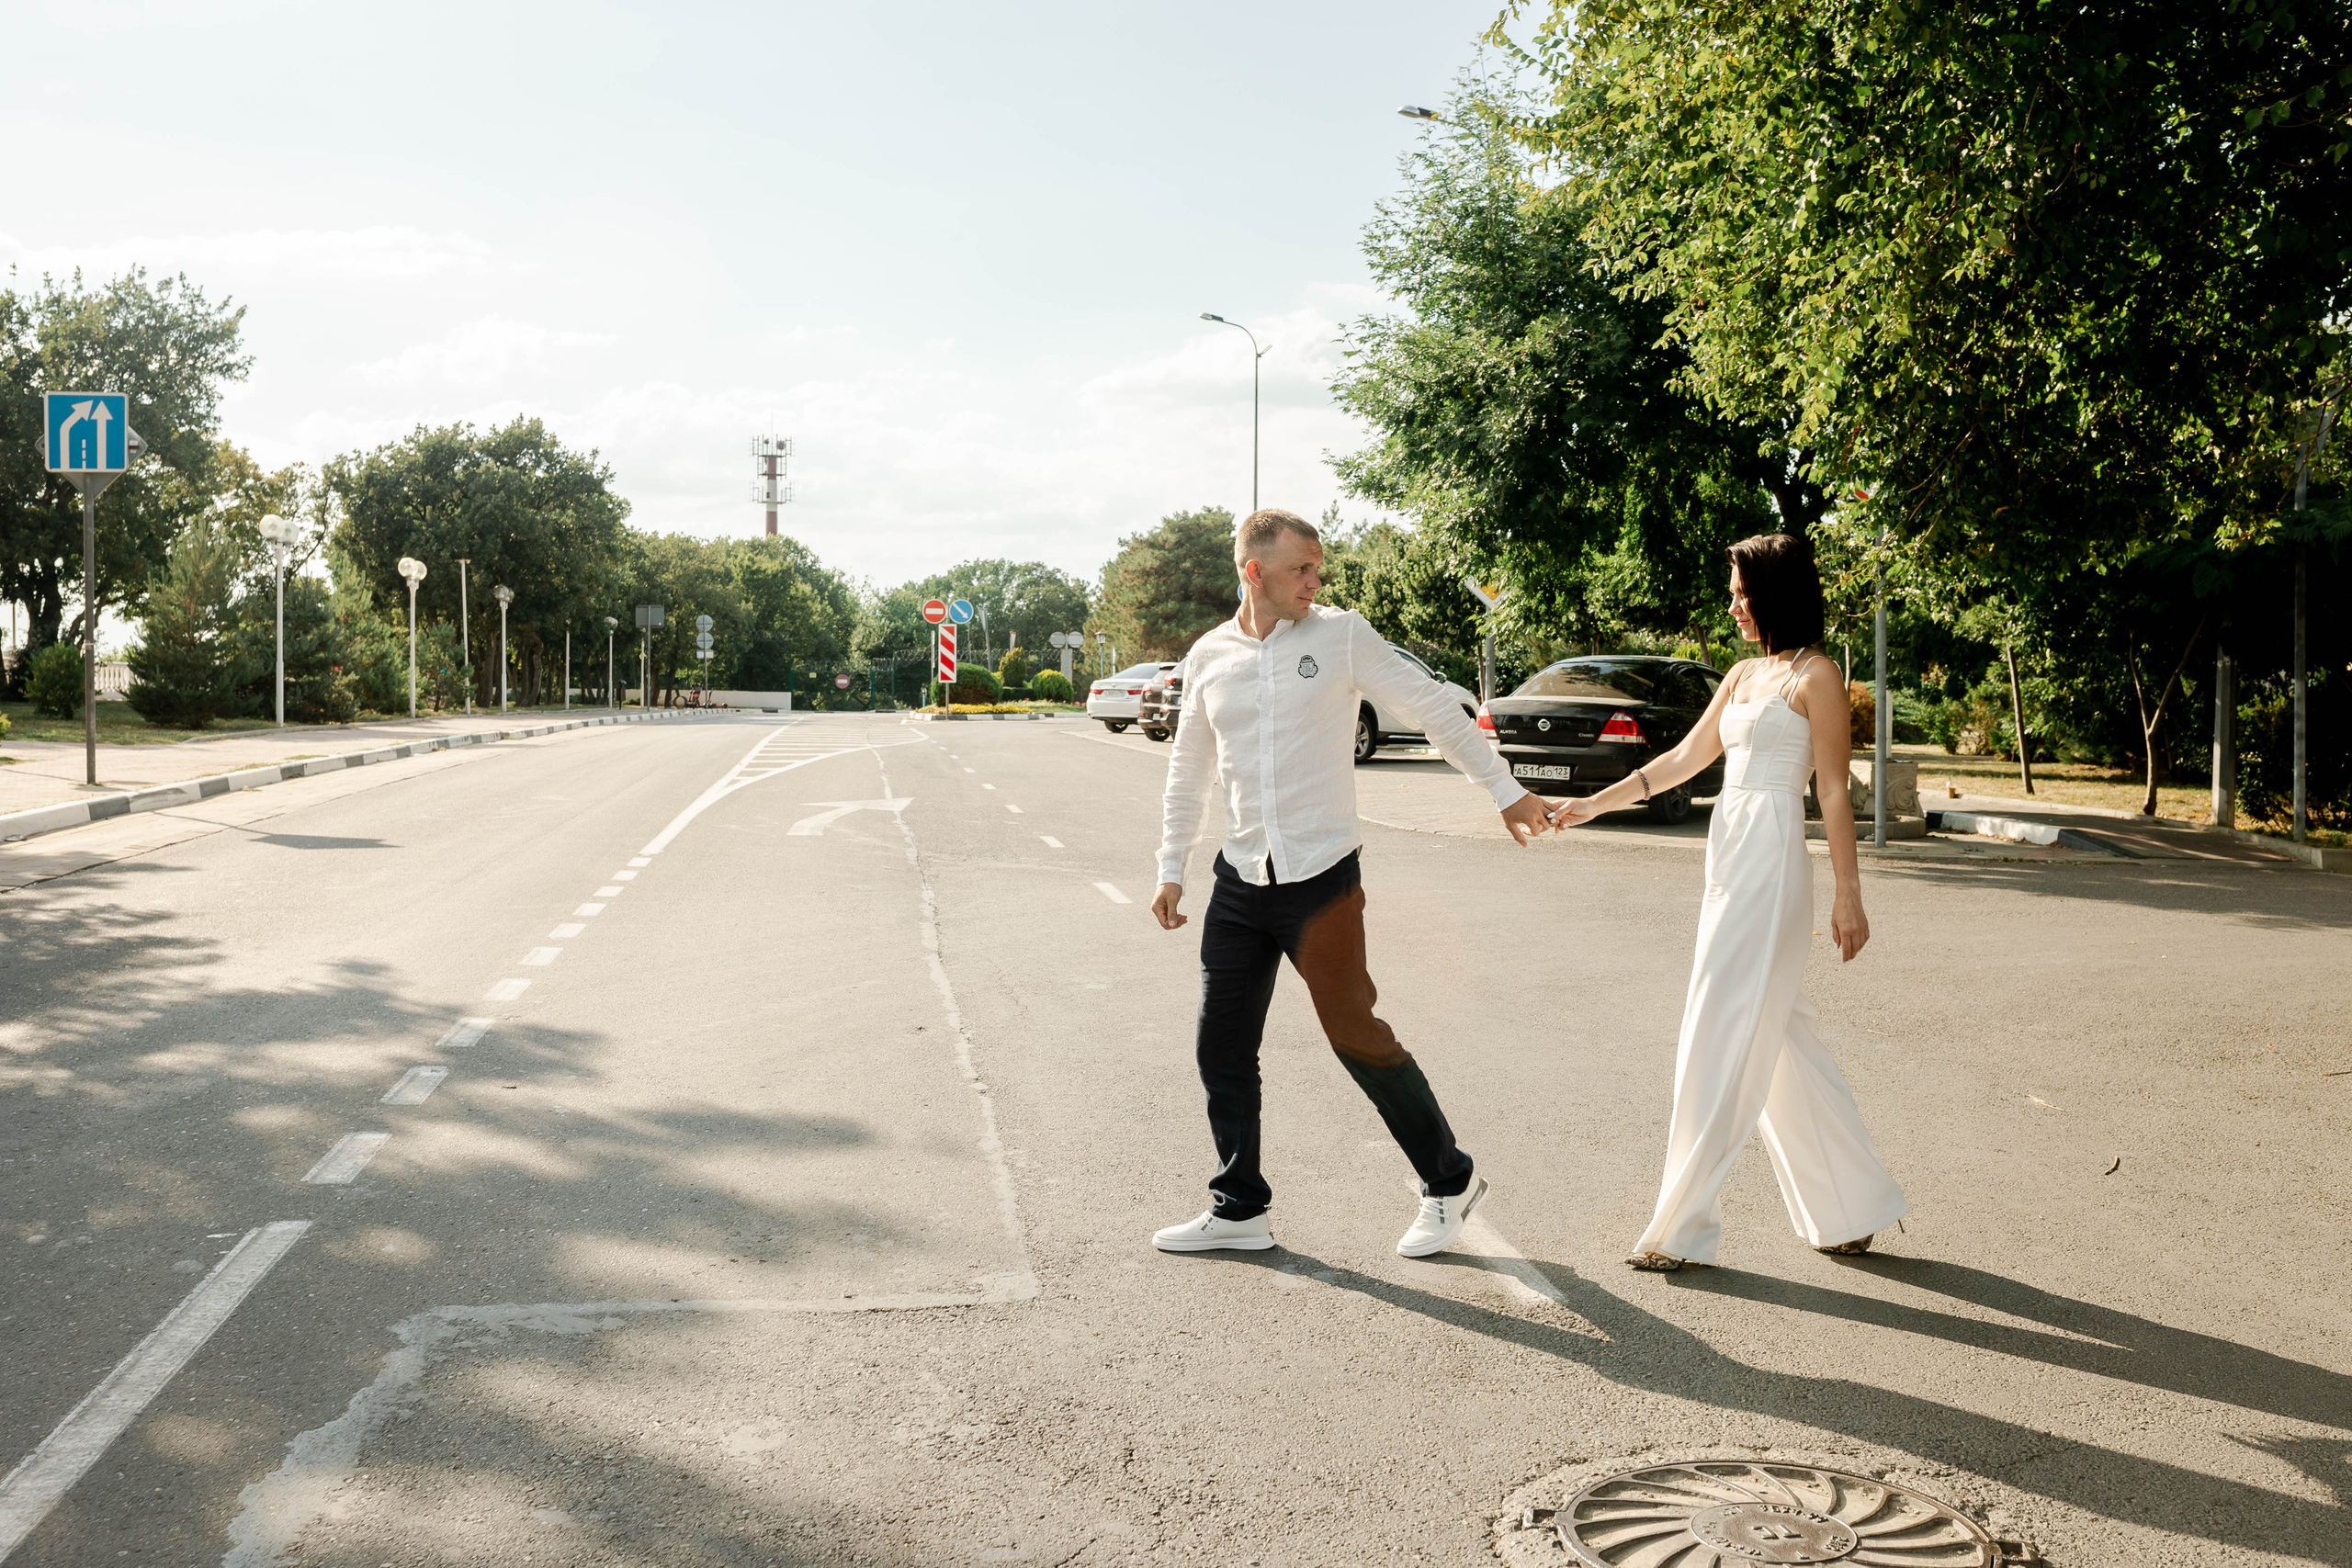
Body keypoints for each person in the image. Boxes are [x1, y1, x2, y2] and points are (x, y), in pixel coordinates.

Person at [1148, 508, 1555, 1258]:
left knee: (1354, 1035)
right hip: (1240, 880)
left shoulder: (1341, 635)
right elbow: (1188, 769)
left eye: (1318, 567)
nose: (1316, 580)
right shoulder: (1208, 656)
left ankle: (1449, 1180)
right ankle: (1239, 1206)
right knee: (1222, 1045)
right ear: (1254, 572)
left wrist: (1503, 788)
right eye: (1302, 567)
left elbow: (1433, 705)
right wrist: (1170, 866)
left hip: (1321, 880)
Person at [1550, 531, 1908, 1270]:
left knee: (1717, 1025)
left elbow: (1833, 788)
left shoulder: (1817, 676)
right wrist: (1596, 803)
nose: (1734, 604)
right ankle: (1851, 1207)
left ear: (1777, 591)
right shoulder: (1744, 675)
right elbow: (1683, 759)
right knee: (1778, 1035)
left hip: (1774, 860)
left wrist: (1849, 891)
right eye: (1734, 592)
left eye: (1744, 592)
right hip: (1729, 856)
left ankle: (1681, 1225)